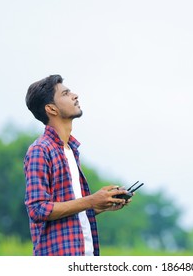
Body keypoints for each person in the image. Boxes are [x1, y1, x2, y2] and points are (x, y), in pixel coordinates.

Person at [23, 74, 130, 256]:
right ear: (51, 109)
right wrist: (90, 200)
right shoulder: (40, 150)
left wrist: (101, 205)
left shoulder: (71, 150)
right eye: (65, 94)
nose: (75, 95)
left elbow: (70, 211)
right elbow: (37, 209)